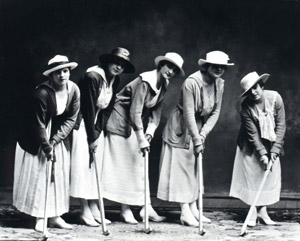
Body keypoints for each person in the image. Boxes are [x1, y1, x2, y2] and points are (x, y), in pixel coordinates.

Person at [101, 52, 185, 224]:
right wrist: (141, 138)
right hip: (120, 122)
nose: (170, 71)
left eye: (174, 70)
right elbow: (135, 111)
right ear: (161, 65)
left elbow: (156, 112)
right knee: (127, 166)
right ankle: (125, 210)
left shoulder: (163, 83)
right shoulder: (146, 80)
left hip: (133, 124)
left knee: (137, 166)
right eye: (168, 66)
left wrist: (150, 132)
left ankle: (145, 208)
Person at [157, 51, 234, 227]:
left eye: (222, 67)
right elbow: (189, 113)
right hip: (181, 127)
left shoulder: (219, 84)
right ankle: (184, 211)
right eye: (216, 66)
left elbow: (215, 112)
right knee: (181, 169)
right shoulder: (191, 83)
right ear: (206, 66)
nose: (219, 69)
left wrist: (203, 134)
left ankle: (194, 209)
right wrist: (197, 139)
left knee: (193, 168)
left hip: (198, 128)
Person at [13, 55, 80, 232]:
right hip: (36, 136)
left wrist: (56, 140)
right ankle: (40, 217)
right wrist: (47, 147)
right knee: (40, 174)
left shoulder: (73, 89)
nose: (62, 75)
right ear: (51, 76)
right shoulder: (42, 93)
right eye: (58, 73)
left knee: (58, 175)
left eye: (65, 71)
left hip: (56, 134)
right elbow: (39, 124)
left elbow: (71, 119)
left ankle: (55, 216)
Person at [70, 47, 135, 226]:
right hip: (82, 124)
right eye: (116, 63)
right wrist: (91, 137)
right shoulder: (93, 77)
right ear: (107, 61)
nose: (118, 67)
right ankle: (84, 210)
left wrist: (98, 132)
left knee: (95, 167)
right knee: (84, 166)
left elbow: (106, 109)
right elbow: (88, 109)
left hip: (96, 125)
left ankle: (94, 207)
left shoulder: (114, 80)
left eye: (122, 65)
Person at [230, 71, 286, 226]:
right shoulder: (245, 107)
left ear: (262, 85)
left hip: (272, 142)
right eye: (249, 91)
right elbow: (253, 134)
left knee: (267, 177)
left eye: (256, 87)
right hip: (250, 145)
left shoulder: (275, 98)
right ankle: (252, 211)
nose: (253, 92)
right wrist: (262, 153)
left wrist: (274, 151)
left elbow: (281, 126)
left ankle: (263, 212)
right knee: (252, 177)